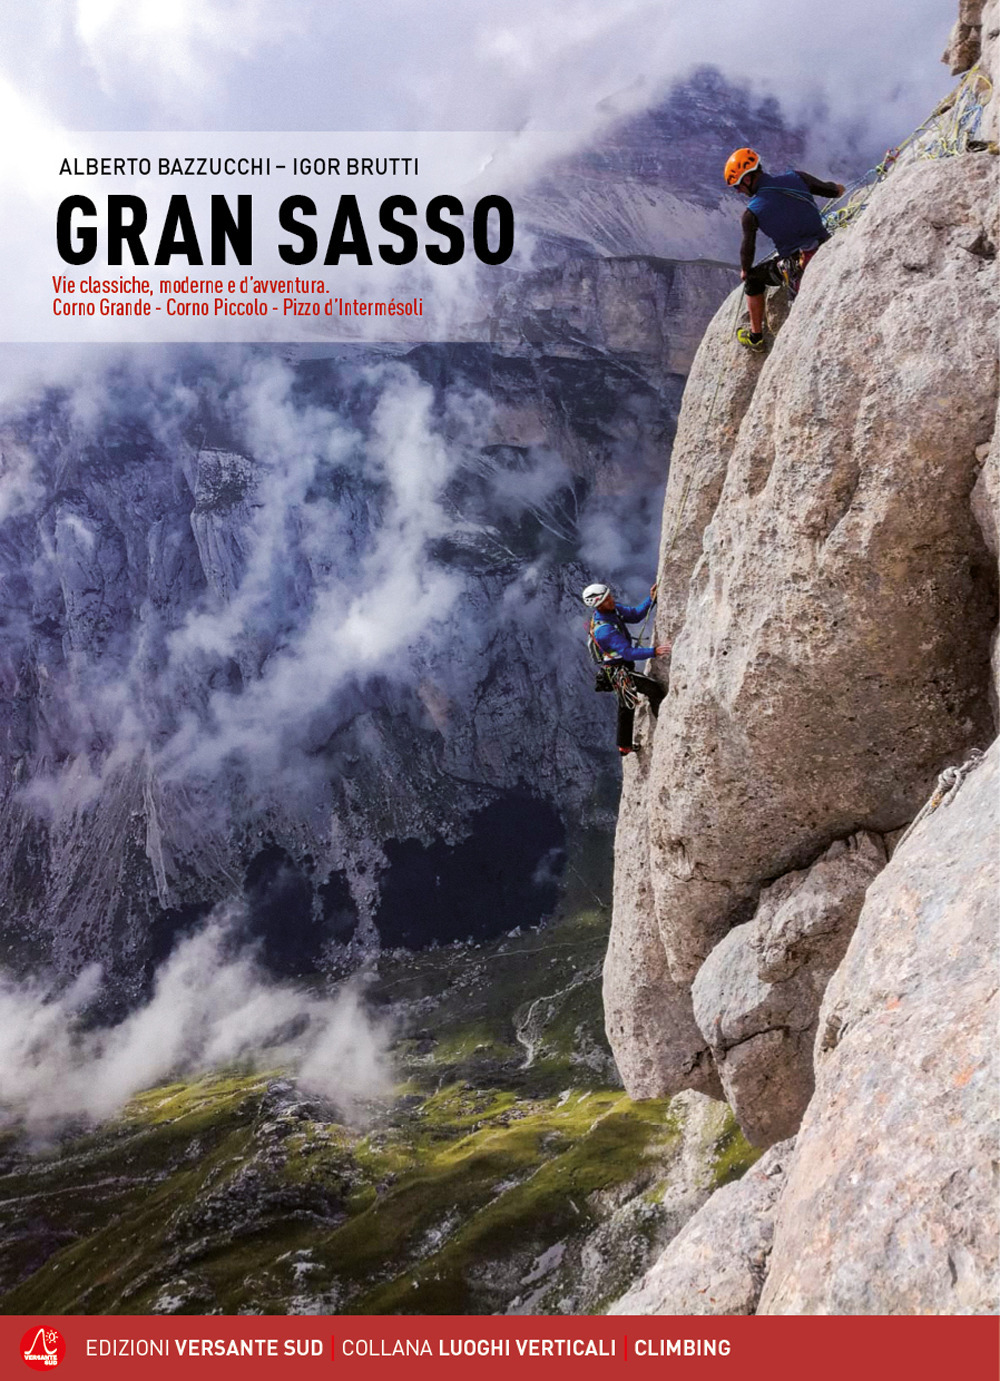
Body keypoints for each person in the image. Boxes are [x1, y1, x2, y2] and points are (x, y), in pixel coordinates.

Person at [724, 148, 845, 352]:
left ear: (747, 179)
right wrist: (840, 188)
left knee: (753, 280)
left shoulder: (751, 213)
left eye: (737, 186)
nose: (738, 191)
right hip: (826, 247)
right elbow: (833, 191)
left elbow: (748, 249)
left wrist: (745, 270)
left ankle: (756, 337)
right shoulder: (797, 178)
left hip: (796, 264)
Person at [582, 582, 670, 756]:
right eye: (607, 599)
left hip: (617, 669)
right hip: (618, 671)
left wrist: (651, 599)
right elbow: (628, 653)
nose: (611, 599)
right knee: (654, 690)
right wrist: (654, 652)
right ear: (598, 605)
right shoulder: (604, 630)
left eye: (609, 596)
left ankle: (624, 746)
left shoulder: (612, 611)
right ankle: (665, 725)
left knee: (626, 706)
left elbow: (635, 615)